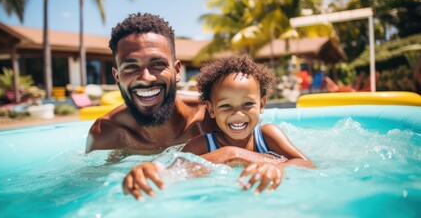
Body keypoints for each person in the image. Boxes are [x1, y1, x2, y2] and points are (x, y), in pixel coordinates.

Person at [86, 13, 291, 164]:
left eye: (158, 64)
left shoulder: (215, 115)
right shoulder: (106, 134)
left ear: (176, 70)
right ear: (117, 76)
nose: (146, 78)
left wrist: (233, 153)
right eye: (130, 67)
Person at [123, 54, 315, 200]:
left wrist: (279, 169)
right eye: (225, 106)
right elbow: (174, 172)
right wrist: (148, 172)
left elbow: (307, 164)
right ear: (211, 109)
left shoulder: (266, 135)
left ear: (262, 105)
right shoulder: (202, 145)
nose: (238, 113)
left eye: (248, 104)